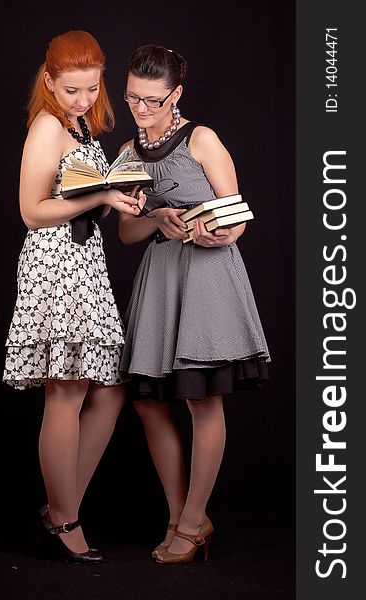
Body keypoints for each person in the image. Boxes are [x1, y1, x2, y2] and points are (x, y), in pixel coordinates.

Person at [118, 45, 270, 564]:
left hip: (206, 276)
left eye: (153, 100)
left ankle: (190, 522)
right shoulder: (129, 151)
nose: (141, 109)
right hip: (161, 275)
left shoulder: (202, 139)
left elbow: (240, 218)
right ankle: (183, 513)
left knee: (203, 399)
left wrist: (213, 232)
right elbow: (125, 230)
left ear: (176, 94)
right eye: (133, 98)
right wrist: (157, 219)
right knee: (147, 399)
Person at [2, 30, 140, 564]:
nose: (83, 100)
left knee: (108, 390)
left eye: (91, 87)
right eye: (71, 90)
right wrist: (104, 193)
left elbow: (84, 203)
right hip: (54, 263)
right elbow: (32, 211)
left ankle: (62, 509)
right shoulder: (46, 125)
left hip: (86, 262)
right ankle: (66, 520)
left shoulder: (82, 125)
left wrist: (119, 194)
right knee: (66, 393)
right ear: (49, 82)